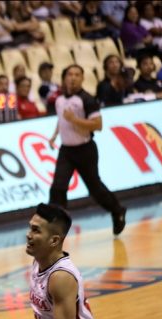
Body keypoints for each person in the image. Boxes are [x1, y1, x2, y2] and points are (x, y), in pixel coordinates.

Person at [49, 65, 126, 236]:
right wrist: (54, 135)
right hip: (66, 150)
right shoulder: (60, 100)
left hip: (85, 150)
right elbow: (61, 120)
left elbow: (98, 125)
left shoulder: (88, 99)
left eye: (77, 74)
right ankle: (56, 225)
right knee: (58, 187)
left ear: (83, 79)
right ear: (64, 78)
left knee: (95, 188)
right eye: (70, 74)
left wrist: (74, 120)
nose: (73, 78)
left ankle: (117, 210)